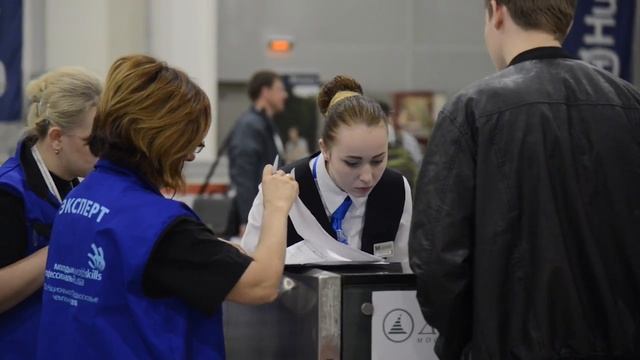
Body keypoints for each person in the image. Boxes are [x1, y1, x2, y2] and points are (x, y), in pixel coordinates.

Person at [409, 0, 640, 359]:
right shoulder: (630, 106)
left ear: (497, 10)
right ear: (569, 17)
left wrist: (464, 345)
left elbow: (438, 258)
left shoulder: (471, 111)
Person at [36, 55, 298, 359]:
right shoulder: (160, 228)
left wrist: (214, 248)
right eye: (191, 144)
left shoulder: (80, 197)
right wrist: (277, 205)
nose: (189, 158)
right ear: (164, 141)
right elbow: (262, 285)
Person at [242, 75, 412, 267]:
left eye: (378, 160)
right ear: (325, 149)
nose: (367, 177)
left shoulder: (395, 190)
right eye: (352, 162)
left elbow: (401, 275)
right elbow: (251, 273)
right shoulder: (280, 189)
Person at [0, 67, 101, 359]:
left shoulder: (81, 187)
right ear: (57, 137)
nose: (105, 152)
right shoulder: (9, 194)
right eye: (95, 143)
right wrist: (61, 248)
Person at [228, 70, 288, 236]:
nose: (285, 95)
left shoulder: (265, 124)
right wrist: (247, 219)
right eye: (280, 89)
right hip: (254, 216)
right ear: (265, 92)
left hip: (265, 212)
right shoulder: (250, 125)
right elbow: (243, 174)